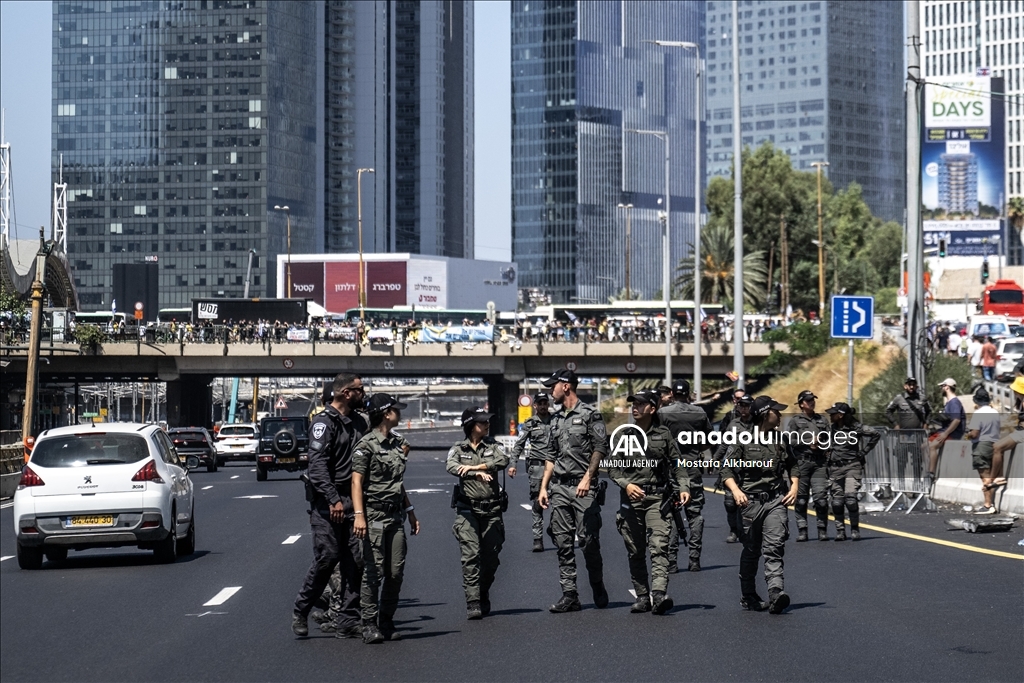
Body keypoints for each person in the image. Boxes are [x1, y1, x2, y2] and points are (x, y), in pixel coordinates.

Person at [292, 373, 369, 640]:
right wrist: (333, 498)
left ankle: (348, 618)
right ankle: (301, 611)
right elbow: (317, 467)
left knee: (354, 562)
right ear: (347, 393)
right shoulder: (323, 423)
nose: (364, 393)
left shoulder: (359, 422)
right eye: (360, 389)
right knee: (327, 559)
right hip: (327, 504)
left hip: (353, 502)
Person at [608, 390, 690, 614]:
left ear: (652, 409)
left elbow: (677, 463)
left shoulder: (664, 434)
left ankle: (659, 594)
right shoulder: (622, 435)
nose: (635, 407)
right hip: (631, 500)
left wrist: (684, 487)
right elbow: (613, 469)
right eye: (634, 403)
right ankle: (642, 596)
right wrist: (627, 485)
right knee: (635, 550)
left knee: (659, 545)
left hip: (657, 498)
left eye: (641, 404)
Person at [537, 369, 609, 613]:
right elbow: (550, 456)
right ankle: (570, 595)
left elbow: (600, 448)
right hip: (559, 487)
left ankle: (597, 584)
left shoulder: (590, 415)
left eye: (552, 386)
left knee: (589, 542)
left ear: (565, 386)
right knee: (563, 542)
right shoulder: (555, 420)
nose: (550, 391)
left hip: (583, 488)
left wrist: (588, 478)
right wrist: (544, 487)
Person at [352, 393, 421, 644]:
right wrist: (359, 516)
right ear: (385, 413)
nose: (399, 413)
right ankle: (368, 624)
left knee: (395, 572)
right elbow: (356, 482)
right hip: (374, 514)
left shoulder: (398, 443)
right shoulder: (366, 445)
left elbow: (397, 483)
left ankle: (386, 619)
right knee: (374, 571)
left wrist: (411, 511)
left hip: (396, 515)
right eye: (395, 409)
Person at [721, 396, 799, 615]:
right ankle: (748, 595)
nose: (780, 414)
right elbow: (725, 469)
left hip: (775, 500)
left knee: (774, 547)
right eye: (776, 411)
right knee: (752, 550)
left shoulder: (781, 439)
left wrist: (794, 487)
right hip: (750, 503)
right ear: (765, 414)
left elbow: (794, 466)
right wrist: (736, 490)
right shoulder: (742, 439)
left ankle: (776, 593)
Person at [447, 407, 510, 619]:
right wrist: (476, 473)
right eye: (483, 422)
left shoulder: (494, 446)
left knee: (491, 558)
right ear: (472, 425)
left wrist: (480, 466)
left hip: (492, 510)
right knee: (470, 556)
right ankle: (473, 601)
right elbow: (452, 466)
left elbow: (503, 461)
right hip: (467, 511)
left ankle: (482, 592)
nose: (487, 424)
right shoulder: (458, 448)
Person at [656, 379, 712, 572]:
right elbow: (708, 440)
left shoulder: (663, 413)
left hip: (670, 470)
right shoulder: (699, 413)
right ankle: (694, 560)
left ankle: (671, 561)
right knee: (695, 514)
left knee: (670, 515)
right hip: (692, 467)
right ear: (688, 393)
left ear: (672, 393)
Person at [826, 402, 881, 541]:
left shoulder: (855, 427)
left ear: (840, 415)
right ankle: (840, 531)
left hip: (852, 466)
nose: (830, 416)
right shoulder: (832, 428)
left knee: (850, 499)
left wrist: (864, 452)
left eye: (833, 413)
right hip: (835, 468)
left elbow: (875, 434)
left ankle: (855, 529)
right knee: (837, 502)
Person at [508, 392, 554, 552]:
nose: (542, 406)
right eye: (540, 403)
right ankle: (537, 538)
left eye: (545, 403)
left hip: (556, 467)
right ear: (535, 406)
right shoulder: (530, 424)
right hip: (537, 469)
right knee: (537, 504)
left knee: (559, 501)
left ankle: (554, 528)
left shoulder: (557, 421)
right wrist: (513, 464)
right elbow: (519, 445)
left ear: (548, 404)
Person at [786, 390, 831, 542]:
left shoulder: (822, 420)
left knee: (821, 499)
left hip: (819, 463)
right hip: (802, 462)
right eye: (808, 400)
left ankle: (822, 529)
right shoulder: (795, 421)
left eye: (813, 399)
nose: (812, 402)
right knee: (801, 499)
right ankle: (802, 529)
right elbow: (791, 441)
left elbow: (830, 439)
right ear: (801, 404)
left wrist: (822, 445)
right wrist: (808, 442)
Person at [715, 393, 754, 543]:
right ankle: (734, 530)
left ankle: (747, 529)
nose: (744, 408)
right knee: (730, 503)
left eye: (747, 406)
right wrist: (715, 459)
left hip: (751, 468)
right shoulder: (733, 424)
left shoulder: (758, 425)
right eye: (741, 405)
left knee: (748, 501)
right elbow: (725, 444)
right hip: (732, 466)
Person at [965, 388, 1002, 514]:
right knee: (992, 475)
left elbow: (975, 433)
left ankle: (987, 505)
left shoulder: (978, 413)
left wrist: (968, 434)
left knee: (985, 476)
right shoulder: (995, 413)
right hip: (994, 444)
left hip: (981, 446)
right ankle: (990, 504)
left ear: (977, 401)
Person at [927, 378, 966, 484]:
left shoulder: (954, 403)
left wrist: (945, 433)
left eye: (942, 386)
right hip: (944, 430)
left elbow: (956, 420)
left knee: (932, 446)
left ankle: (931, 474)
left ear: (947, 387)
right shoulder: (949, 403)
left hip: (952, 433)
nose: (941, 389)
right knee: (923, 446)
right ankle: (926, 469)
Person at [988, 411, 1022, 493]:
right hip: (1018, 431)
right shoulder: (1020, 402)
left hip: (1022, 433)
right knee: (996, 446)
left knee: (998, 447)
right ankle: (999, 476)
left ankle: (992, 478)